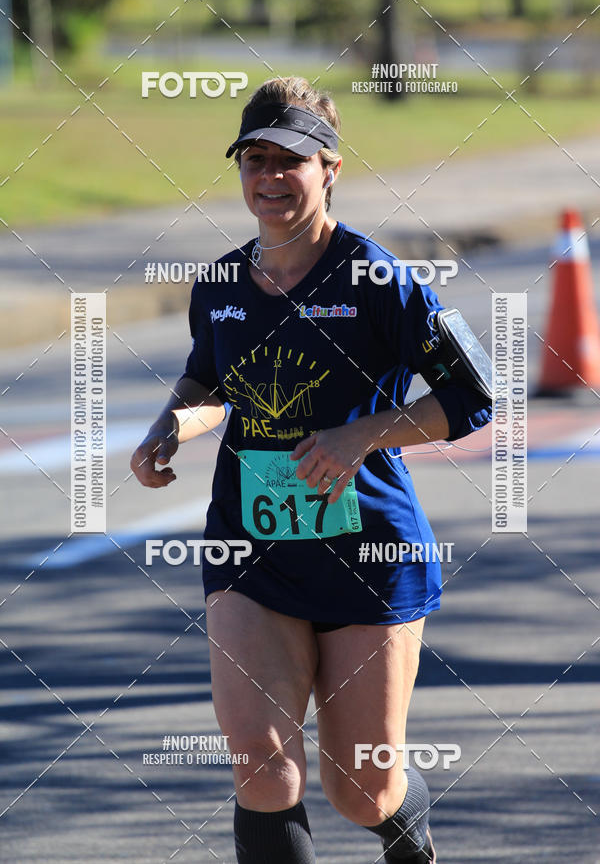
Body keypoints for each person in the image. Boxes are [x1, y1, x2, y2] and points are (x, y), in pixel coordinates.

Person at [131, 75, 492, 863]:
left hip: (370, 553)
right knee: (262, 770)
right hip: (252, 549)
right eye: (254, 159)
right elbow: (209, 380)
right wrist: (170, 427)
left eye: (289, 160)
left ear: (330, 168)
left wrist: (361, 435)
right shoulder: (222, 283)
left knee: (362, 787)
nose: (269, 176)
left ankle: (408, 831)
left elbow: (474, 396)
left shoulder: (379, 280)